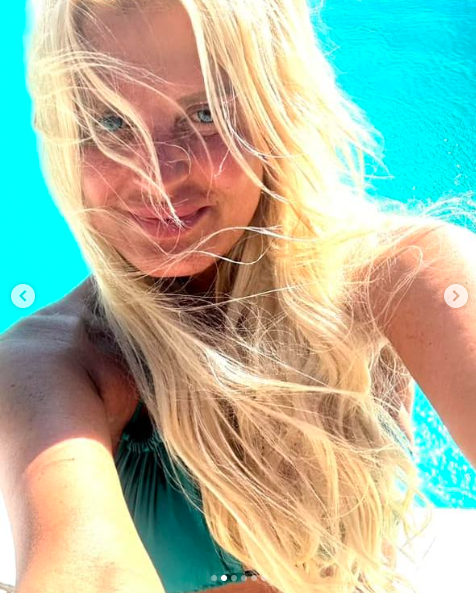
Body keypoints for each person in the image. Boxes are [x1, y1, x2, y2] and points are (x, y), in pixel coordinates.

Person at [1, 0, 475, 592]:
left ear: (276, 107)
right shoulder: (52, 363)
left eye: (205, 113)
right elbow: (88, 570)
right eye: (110, 122)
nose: (158, 174)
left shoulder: (401, 279)